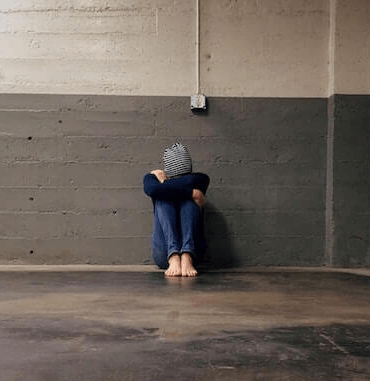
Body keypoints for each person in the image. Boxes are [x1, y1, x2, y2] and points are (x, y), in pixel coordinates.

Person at [143, 143, 210, 277]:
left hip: (194, 251)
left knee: (187, 202)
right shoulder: (151, 180)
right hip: (164, 253)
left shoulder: (200, 179)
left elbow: (158, 188)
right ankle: (174, 256)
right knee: (162, 198)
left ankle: (186, 255)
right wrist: (191, 192)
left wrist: (164, 183)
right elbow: (153, 190)